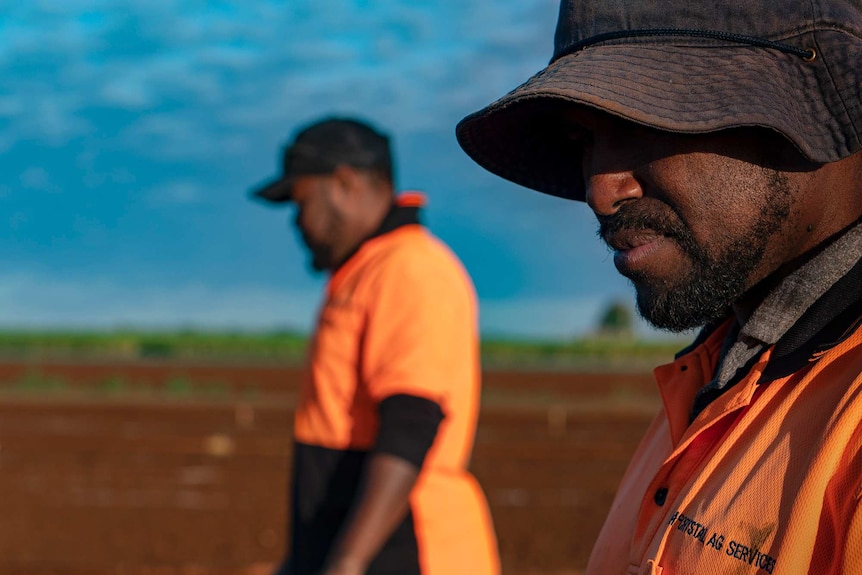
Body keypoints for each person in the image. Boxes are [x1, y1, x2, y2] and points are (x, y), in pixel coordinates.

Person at [456, 0, 862, 573]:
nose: (602, 191)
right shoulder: (716, 367)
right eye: (585, 141)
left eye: (644, 124)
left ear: (817, 106)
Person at [250, 117, 499, 575]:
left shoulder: (409, 269)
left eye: (300, 201)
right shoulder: (365, 271)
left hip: (410, 554)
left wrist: (347, 562)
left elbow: (411, 421)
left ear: (343, 183)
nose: (296, 222)